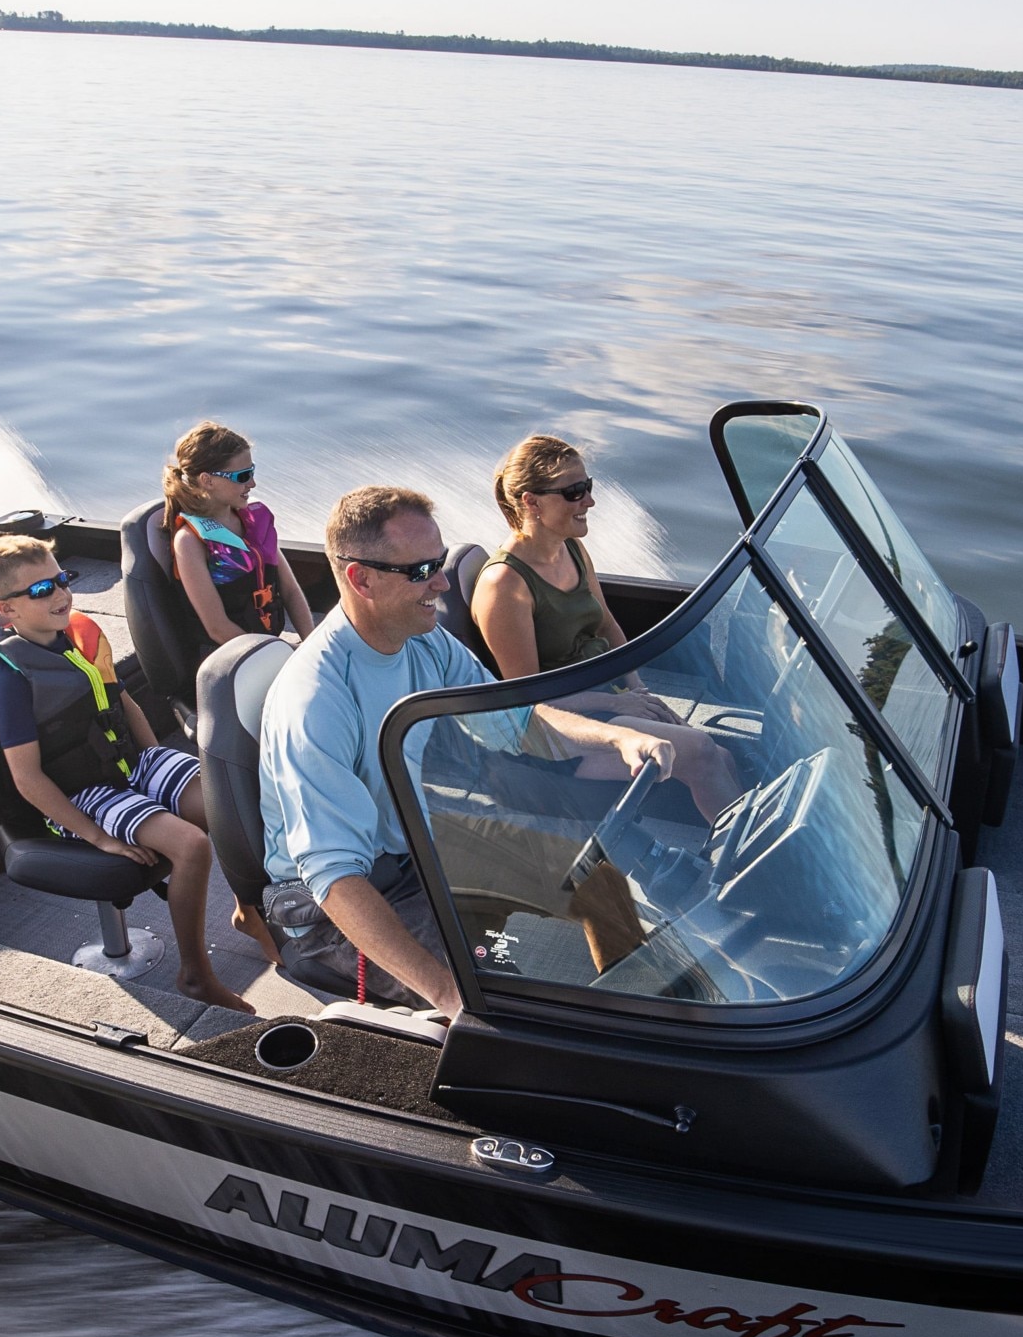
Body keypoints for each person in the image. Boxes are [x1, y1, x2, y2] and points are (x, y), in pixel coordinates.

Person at [258, 486, 677, 1014]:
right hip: (341, 904)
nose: (440, 583)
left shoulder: (422, 637)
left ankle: (642, 1019)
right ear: (360, 578)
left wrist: (617, 734)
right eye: (421, 571)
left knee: (599, 879)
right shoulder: (316, 699)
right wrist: (452, 995)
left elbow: (513, 723)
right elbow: (335, 879)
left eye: (439, 561)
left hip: (416, 841)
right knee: (495, 997)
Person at [0, 534, 256, 1016]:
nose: (62, 595)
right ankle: (196, 975)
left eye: (62, 581)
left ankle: (250, 910)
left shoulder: (80, 635)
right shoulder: (10, 676)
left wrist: (156, 765)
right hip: (79, 795)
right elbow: (27, 778)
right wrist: (98, 838)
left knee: (233, 801)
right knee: (191, 845)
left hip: (129, 766)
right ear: (8, 610)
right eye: (41, 591)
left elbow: (122, 703)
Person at [471, 434, 740, 821]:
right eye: (574, 491)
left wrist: (639, 692)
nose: (589, 501)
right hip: (554, 736)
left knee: (723, 756)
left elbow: (609, 626)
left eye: (588, 486)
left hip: (601, 697)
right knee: (698, 753)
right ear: (531, 501)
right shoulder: (505, 586)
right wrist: (617, 704)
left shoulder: (572, 549)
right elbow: (527, 704)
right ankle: (750, 872)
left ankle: (745, 853)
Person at [164, 422, 316, 655]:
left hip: (268, 648)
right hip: (226, 658)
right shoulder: (190, 541)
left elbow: (291, 591)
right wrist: (283, 654)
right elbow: (217, 628)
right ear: (208, 480)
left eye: (252, 471)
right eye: (243, 476)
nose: (252, 483)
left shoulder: (255, 523)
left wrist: (312, 646)